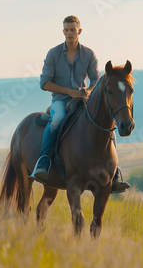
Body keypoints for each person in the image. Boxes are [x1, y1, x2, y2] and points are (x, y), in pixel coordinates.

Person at [30, 15, 130, 193]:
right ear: (63, 32)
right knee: (57, 120)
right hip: (60, 100)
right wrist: (69, 92)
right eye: (66, 30)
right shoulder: (53, 54)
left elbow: (95, 80)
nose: (69, 33)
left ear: (79, 31)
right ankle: (43, 162)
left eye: (73, 30)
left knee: (107, 127)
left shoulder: (89, 54)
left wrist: (89, 91)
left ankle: (114, 174)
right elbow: (44, 83)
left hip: (84, 101)